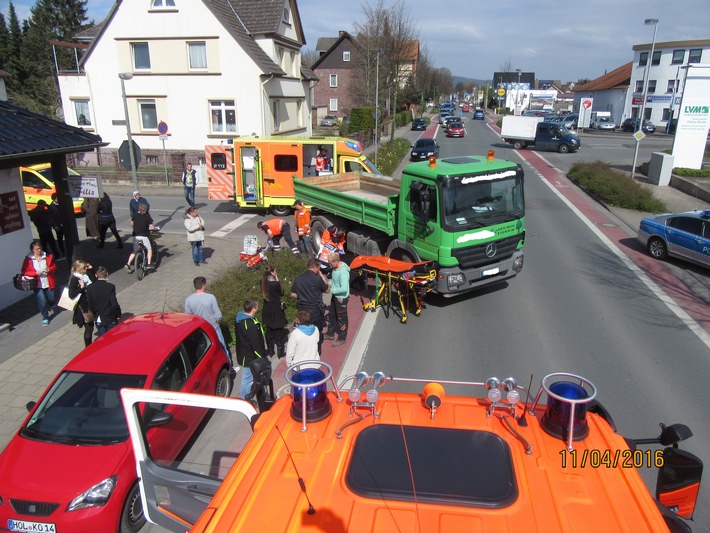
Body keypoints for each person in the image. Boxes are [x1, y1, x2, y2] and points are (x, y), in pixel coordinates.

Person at [185, 276, 231, 364]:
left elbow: (189, 317)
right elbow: (218, 315)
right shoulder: (210, 297)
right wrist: (216, 322)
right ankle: (229, 366)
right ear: (203, 285)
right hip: (214, 327)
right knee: (222, 347)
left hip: (201, 331)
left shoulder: (188, 300)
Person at [290, 258, 330, 353]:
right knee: (316, 332)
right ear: (315, 267)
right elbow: (327, 289)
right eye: (319, 268)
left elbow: (292, 294)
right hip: (315, 311)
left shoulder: (299, 278)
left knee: (303, 331)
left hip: (302, 310)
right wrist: (322, 276)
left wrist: (302, 297)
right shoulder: (317, 279)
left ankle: (304, 350)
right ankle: (316, 351)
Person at [235, 298, 267, 400]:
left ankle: (248, 397)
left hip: (245, 354)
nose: (258, 307)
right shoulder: (250, 325)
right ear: (253, 308)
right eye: (257, 306)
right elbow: (255, 344)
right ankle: (246, 398)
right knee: (249, 378)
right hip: (250, 357)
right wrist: (261, 358)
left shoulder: (240, 318)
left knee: (250, 378)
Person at [20, 240, 57, 326]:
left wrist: (50, 269)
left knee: (51, 298)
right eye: (36, 249)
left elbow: (54, 266)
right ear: (32, 250)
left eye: (40, 248)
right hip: (37, 284)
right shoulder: (28, 259)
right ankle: (45, 317)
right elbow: (24, 272)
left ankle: (51, 305)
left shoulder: (47, 256)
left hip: (48, 282)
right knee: (42, 301)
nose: (39, 250)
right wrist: (35, 273)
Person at [261, 266, 288, 359]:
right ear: (272, 272)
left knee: (268, 329)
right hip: (276, 308)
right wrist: (277, 279)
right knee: (278, 330)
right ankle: (280, 352)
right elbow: (281, 293)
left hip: (267, 308)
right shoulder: (275, 284)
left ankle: (270, 350)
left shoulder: (263, 282)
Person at [68, 259, 96, 347]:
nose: (86, 268)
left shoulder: (84, 275)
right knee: (89, 327)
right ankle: (88, 347)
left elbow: (94, 282)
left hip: (89, 304)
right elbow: (71, 295)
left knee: (90, 326)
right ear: (79, 268)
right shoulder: (75, 279)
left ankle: (89, 346)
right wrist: (82, 287)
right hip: (83, 307)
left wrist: (91, 270)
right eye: (84, 267)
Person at [324, 253, 350, 347]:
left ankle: (342, 338)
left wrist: (331, 290)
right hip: (335, 296)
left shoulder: (343, 273)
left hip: (341, 299)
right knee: (332, 315)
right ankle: (330, 333)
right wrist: (330, 282)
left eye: (330, 263)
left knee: (342, 319)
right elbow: (335, 282)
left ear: (336, 261)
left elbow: (343, 288)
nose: (329, 265)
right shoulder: (335, 269)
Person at [87, 266, 121, 336]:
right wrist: (118, 314)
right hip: (110, 317)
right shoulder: (110, 286)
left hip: (99, 317)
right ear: (107, 274)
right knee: (113, 337)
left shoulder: (90, 287)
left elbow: (90, 304)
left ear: (96, 275)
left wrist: (95, 314)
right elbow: (114, 304)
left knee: (103, 338)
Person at [125, 203, 157, 272]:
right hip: (143, 236)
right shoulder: (147, 216)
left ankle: (128, 264)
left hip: (135, 235)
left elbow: (131, 223)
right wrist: (155, 229)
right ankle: (148, 264)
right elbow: (151, 227)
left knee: (135, 251)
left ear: (139, 209)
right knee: (149, 249)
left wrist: (135, 227)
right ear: (145, 210)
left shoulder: (135, 215)